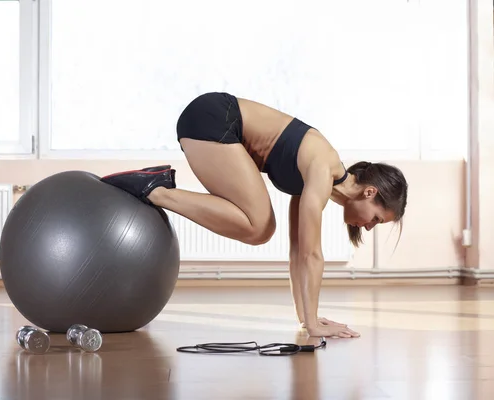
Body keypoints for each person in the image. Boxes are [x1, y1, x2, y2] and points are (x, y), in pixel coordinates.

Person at [101, 92, 408, 339]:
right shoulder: (323, 166)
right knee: (260, 225)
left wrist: (307, 319)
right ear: (370, 193)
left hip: (211, 121)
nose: (368, 228)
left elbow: (298, 251)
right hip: (213, 118)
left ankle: (158, 187)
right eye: (377, 219)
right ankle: (157, 189)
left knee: (260, 228)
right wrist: (315, 325)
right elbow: (313, 256)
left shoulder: (318, 182)